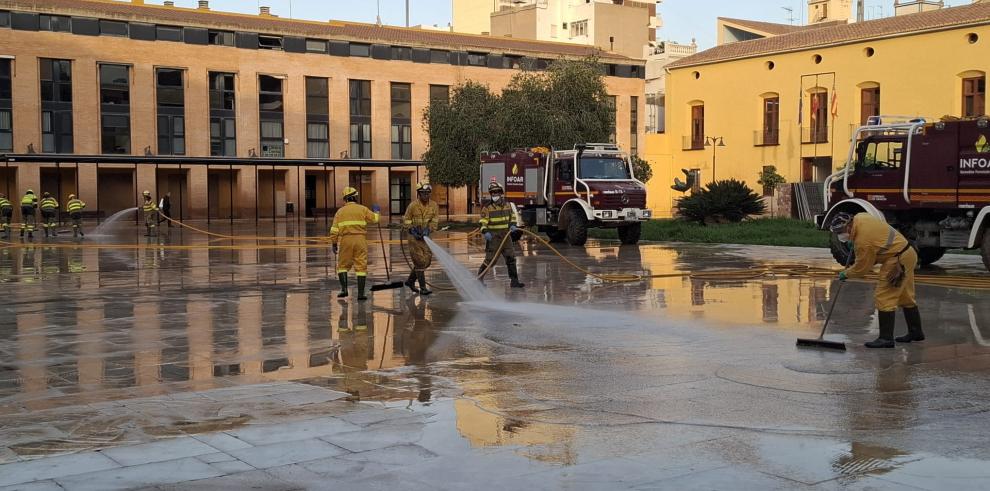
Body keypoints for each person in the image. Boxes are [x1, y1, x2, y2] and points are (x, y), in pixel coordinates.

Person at [832, 212, 922, 348]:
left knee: (884, 297)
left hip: (897, 261)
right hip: (908, 253)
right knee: (906, 296)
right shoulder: (861, 217)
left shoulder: (863, 242)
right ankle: (916, 332)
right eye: (837, 232)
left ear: (849, 225)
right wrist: (853, 242)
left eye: (841, 231)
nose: (840, 235)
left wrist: (846, 274)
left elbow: (862, 268)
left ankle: (886, 339)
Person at [329, 186, 380, 301]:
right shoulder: (363, 209)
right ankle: (361, 294)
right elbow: (375, 219)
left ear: (345, 199)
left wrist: (334, 243)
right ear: (355, 197)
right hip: (360, 240)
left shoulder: (340, 212)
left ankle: (344, 290)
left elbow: (334, 230)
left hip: (346, 240)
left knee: (342, 266)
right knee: (361, 266)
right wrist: (377, 211)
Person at [478, 177, 524, 288]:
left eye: (496, 192)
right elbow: (483, 222)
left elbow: (512, 217)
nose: (494, 194)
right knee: (490, 260)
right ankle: (479, 278)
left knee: (511, 258)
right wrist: (485, 231)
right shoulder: (487, 208)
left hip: (506, 236)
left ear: (501, 193)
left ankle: (514, 281)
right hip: (494, 237)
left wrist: (513, 225)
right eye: (492, 192)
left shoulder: (508, 205)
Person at [403, 181, 439, 295]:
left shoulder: (434, 205)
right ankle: (423, 288)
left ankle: (410, 281)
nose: (426, 195)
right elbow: (406, 220)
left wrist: (429, 229)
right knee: (419, 261)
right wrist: (412, 229)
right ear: (419, 193)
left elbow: (434, 221)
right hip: (414, 238)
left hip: (426, 237)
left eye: (428, 193)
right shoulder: (413, 206)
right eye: (423, 193)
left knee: (427, 261)